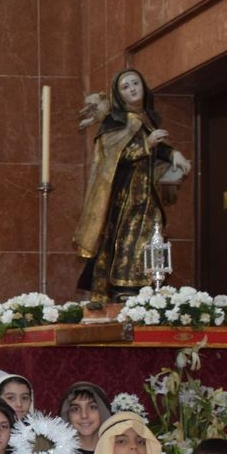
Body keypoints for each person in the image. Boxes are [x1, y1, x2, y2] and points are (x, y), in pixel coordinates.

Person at [75, 68, 191, 307]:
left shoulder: (146, 119)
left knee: (153, 235)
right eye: (125, 87)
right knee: (128, 238)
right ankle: (124, 286)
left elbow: (159, 149)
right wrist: (147, 145)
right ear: (119, 95)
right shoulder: (116, 122)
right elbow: (114, 157)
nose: (132, 89)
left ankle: (151, 283)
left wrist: (174, 154)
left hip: (147, 193)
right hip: (126, 195)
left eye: (135, 83)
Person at [61, 382, 110, 454]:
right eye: (75, 409)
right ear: (67, 415)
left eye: (92, 407)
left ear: (103, 411)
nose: (84, 415)